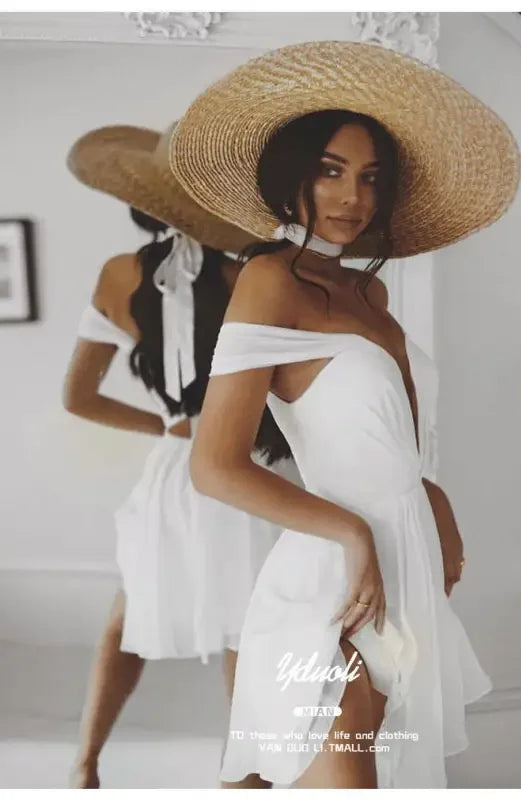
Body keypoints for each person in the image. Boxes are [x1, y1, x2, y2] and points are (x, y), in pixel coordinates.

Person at [170, 41, 520, 788]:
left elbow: (389, 441)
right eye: (329, 170)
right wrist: (351, 530)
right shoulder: (269, 280)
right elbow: (213, 466)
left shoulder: (371, 296)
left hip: (404, 570)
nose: (351, 197)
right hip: (330, 578)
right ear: (290, 175)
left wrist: (434, 499)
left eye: (369, 178)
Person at [63, 125, 298, 789]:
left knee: (129, 611)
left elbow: (78, 398)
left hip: (174, 472)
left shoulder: (119, 274)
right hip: (248, 467)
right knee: (247, 624)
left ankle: (85, 761)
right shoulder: (261, 273)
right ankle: (246, 773)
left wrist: (171, 426)